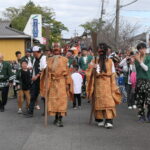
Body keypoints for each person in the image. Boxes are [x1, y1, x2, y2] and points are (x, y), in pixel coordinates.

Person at [86, 43, 121, 129]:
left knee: (108, 101)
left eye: (102, 49)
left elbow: (113, 74)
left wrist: (114, 86)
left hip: (108, 84)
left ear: (105, 51)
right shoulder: (94, 60)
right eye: (99, 49)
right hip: (97, 84)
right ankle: (99, 119)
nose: (101, 51)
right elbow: (88, 72)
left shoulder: (110, 61)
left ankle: (109, 120)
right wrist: (92, 68)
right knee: (98, 101)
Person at [40, 47, 73, 127]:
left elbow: (68, 72)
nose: (56, 52)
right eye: (55, 50)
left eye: (58, 50)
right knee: (54, 101)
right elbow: (45, 71)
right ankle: (56, 117)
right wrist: (45, 70)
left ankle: (60, 119)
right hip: (52, 83)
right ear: (52, 51)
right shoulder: (49, 60)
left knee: (61, 101)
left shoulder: (65, 60)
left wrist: (68, 84)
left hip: (62, 82)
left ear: (60, 51)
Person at [24, 46, 47, 117]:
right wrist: (26, 67)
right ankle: (30, 112)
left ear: (36, 52)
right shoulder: (34, 59)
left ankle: (46, 111)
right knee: (33, 96)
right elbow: (31, 67)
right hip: (35, 81)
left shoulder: (44, 58)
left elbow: (43, 69)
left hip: (43, 81)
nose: (32, 54)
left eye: (33, 52)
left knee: (44, 97)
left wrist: (36, 76)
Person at [134, 43, 150, 122]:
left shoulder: (149, 58)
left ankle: (149, 115)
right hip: (139, 81)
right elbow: (136, 69)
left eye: (143, 48)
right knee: (140, 100)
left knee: (149, 100)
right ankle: (141, 116)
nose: (142, 50)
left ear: (145, 49)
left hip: (148, 81)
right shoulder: (136, 59)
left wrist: (139, 60)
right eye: (140, 49)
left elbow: (146, 68)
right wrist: (138, 60)